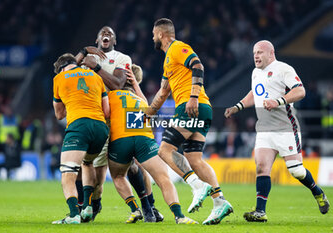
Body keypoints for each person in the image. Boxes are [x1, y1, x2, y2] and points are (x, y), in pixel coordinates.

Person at [224, 40, 330, 222]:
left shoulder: (283, 69)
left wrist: (278, 101)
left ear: (271, 53)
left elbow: (300, 91)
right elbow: (255, 92)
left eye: (259, 52)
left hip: (285, 128)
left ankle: (318, 192)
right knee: (261, 167)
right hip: (264, 129)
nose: (256, 56)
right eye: (254, 53)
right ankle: (260, 211)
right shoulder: (255, 72)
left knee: (296, 171)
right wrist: (238, 106)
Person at [146, 18, 233, 225]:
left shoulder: (177, 48)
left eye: (153, 34)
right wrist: (147, 113)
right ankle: (220, 202)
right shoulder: (168, 60)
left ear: (160, 34)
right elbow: (162, 92)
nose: (152, 37)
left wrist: (193, 96)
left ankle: (197, 185)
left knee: (165, 150)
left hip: (192, 105)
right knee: (194, 159)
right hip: (202, 109)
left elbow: (198, 65)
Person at [75, 26, 163, 222]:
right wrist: (82, 52)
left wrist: (95, 67)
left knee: (132, 164)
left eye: (110, 34)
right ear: (96, 39)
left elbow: (117, 84)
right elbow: (69, 75)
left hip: (118, 115)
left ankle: (150, 206)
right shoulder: (84, 60)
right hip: (96, 118)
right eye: (102, 33)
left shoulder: (122, 58)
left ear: (114, 41)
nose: (106, 34)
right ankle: (92, 206)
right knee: (94, 170)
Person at [107, 64, 198, 224]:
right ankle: (179, 216)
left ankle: (135, 209)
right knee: (163, 179)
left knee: (118, 176)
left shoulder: (110, 95)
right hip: (144, 140)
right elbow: (150, 110)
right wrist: (135, 83)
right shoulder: (141, 100)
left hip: (121, 140)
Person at [51, 53, 109, 224]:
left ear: (61, 69)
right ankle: (88, 207)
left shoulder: (59, 78)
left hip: (79, 126)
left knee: (67, 174)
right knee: (88, 163)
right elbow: (106, 112)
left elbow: (59, 114)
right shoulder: (96, 76)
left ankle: (74, 215)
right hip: (100, 128)